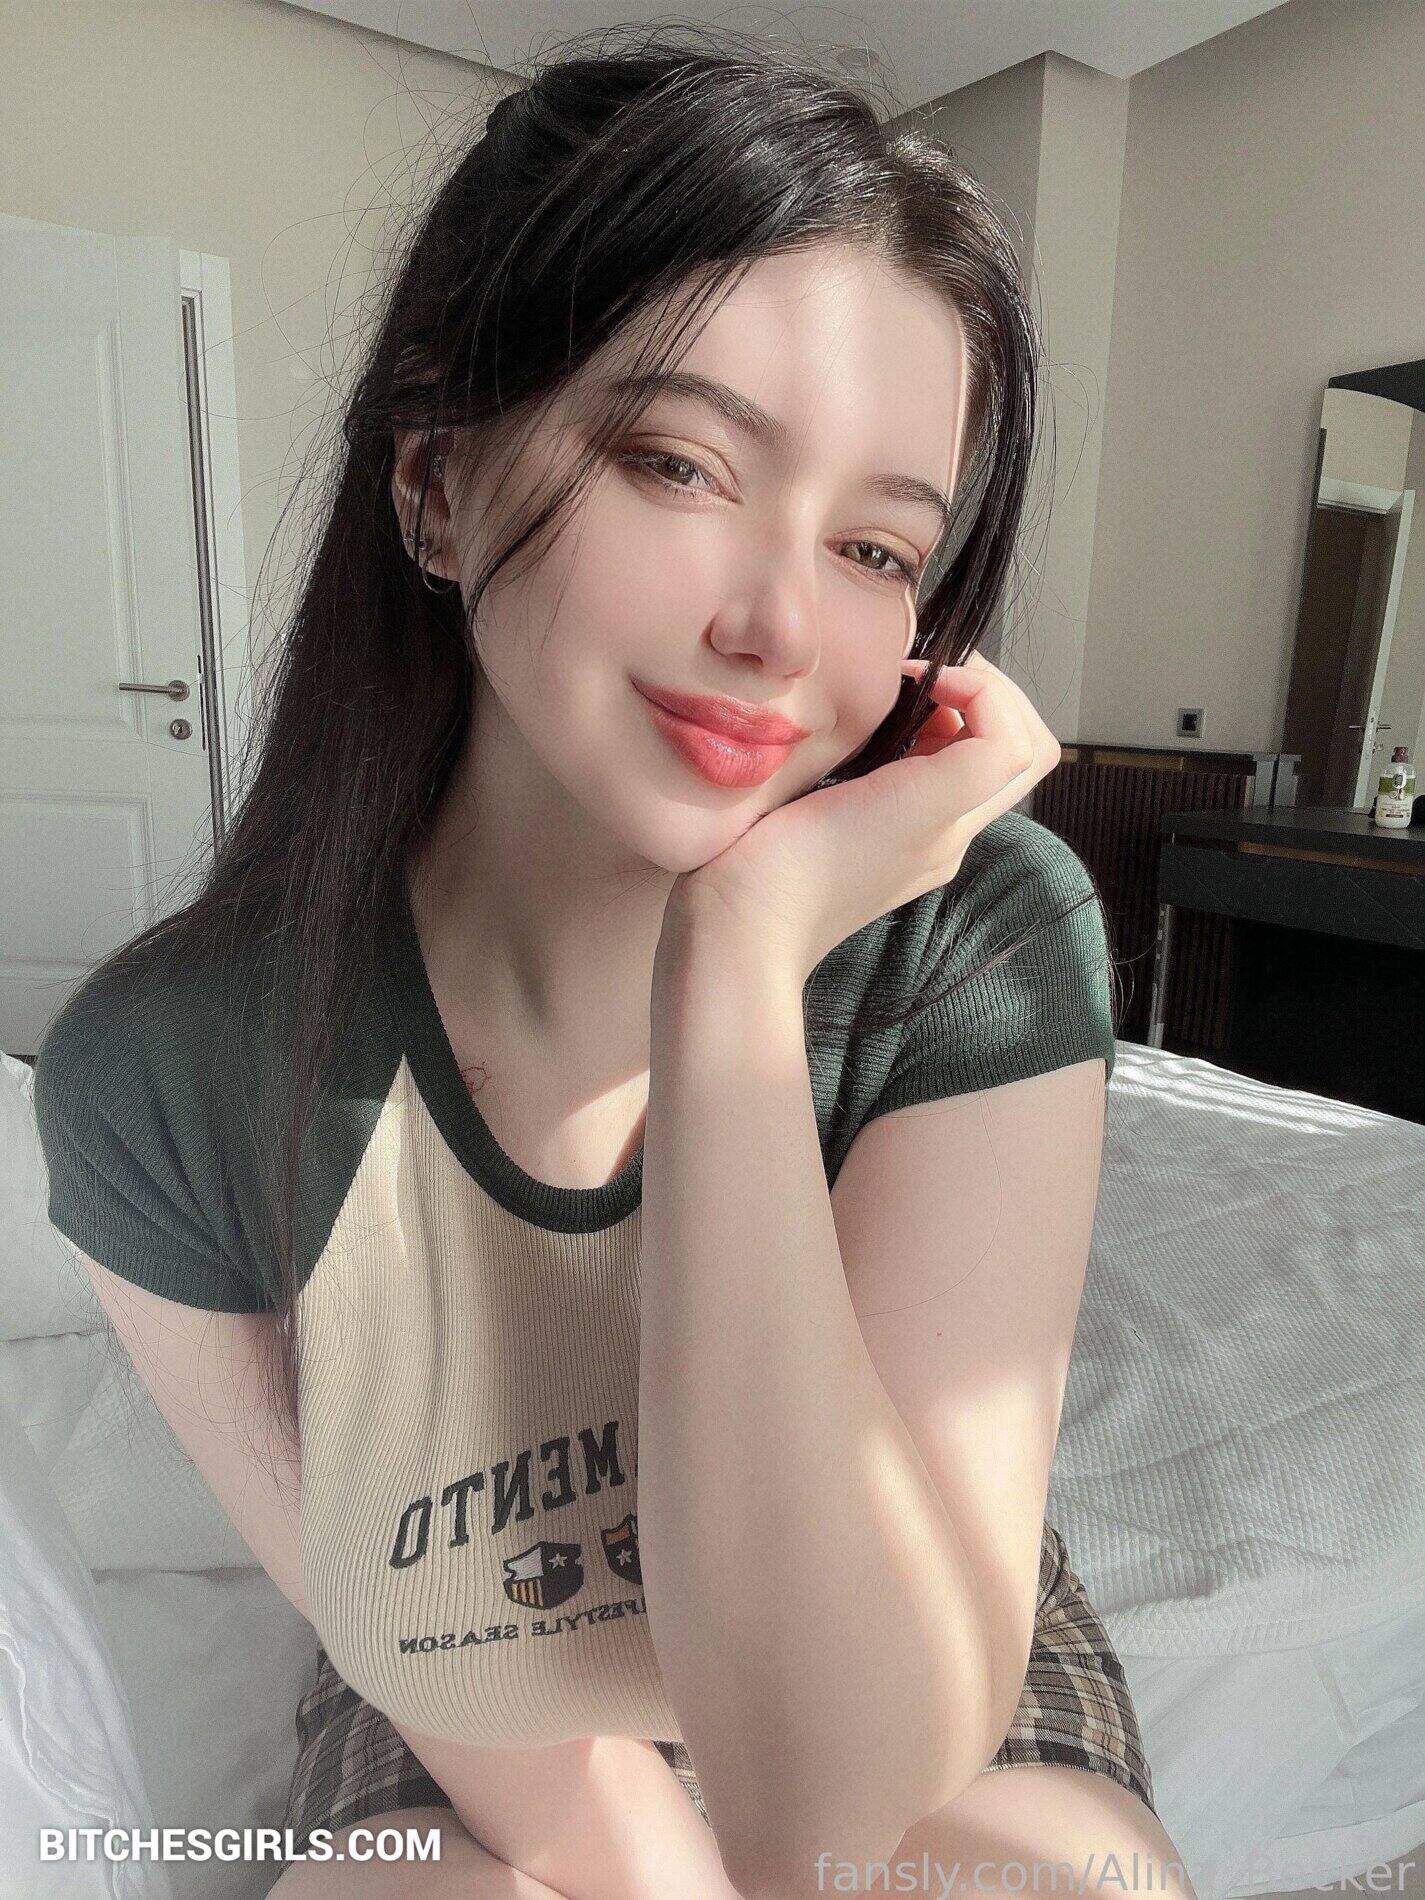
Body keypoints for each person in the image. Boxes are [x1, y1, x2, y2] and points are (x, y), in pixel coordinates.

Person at [31, 29, 1196, 1900]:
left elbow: (842, 1795)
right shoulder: (166, 1067)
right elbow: (446, 1674)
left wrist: (734, 969)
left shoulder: (971, 933)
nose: (778, 626)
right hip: (461, 1640)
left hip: (883, 1623)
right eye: (677, 461)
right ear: (435, 482)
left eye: (875, 548)